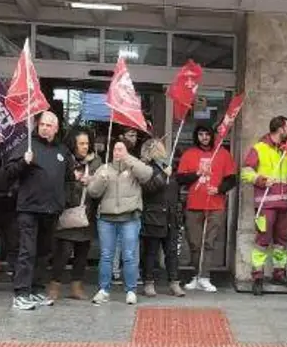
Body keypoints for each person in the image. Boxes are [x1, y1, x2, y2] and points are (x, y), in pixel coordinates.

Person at [3, 111, 70, 311]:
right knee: (27, 252)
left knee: (43, 253)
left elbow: (69, 176)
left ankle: (36, 290)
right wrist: (24, 162)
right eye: (42, 124)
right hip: (29, 209)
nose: (45, 128)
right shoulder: (28, 145)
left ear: (56, 128)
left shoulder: (62, 150)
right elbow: (7, 173)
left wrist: (80, 178)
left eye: (50, 125)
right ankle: (21, 293)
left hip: (51, 210)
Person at [87, 137, 154, 305]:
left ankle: (131, 290)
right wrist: (101, 180)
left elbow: (147, 174)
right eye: (115, 149)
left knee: (130, 255)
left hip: (129, 217)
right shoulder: (104, 169)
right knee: (106, 255)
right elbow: (93, 193)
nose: (118, 152)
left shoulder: (134, 167)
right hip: (107, 219)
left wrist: (128, 159)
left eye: (121, 149)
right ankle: (103, 289)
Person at [240, 116, 287, 294]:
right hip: (265, 205)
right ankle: (257, 277)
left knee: (281, 242)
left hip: (285, 204)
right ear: (281, 128)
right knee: (262, 241)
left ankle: (279, 273)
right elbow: (246, 172)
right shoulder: (259, 148)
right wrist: (261, 180)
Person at [176, 124, 236, 294]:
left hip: (215, 205)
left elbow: (232, 179)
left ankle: (205, 277)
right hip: (194, 205)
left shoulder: (222, 154)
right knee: (195, 243)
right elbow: (180, 178)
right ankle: (196, 275)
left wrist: (218, 189)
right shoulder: (189, 154)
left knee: (208, 243)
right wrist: (197, 173)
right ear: (197, 136)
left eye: (207, 134)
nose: (204, 137)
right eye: (201, 134)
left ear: (212, 136)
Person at [49, 129, 98, 302]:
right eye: (81, 143)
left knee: (82, 252)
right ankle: (54, 285)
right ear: (73, 144)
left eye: (87, 143)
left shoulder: (95, 161)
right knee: (63, 252)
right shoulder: (64, 158)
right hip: (67, 212)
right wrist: (72, 178)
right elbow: (54, 179)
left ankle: (77, 286)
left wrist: (93, 180)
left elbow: (101, 182)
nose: (85, 147)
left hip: (86, 213)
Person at [139, 137, 185, 298]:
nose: (163, 151)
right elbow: (147, 189)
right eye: (159, 148)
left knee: (171, 252)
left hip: (170, 216)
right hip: (153, 215)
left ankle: (174, 282)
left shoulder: (168, 167)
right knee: (150, 252)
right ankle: (149, 282)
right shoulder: (146, 168)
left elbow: (176, 188)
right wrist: (161, 177)